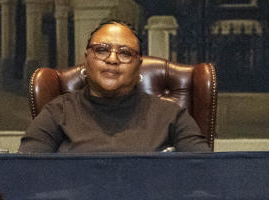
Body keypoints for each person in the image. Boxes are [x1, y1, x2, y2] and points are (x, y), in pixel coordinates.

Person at [18, 19, 209, 153]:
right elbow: (26, 175)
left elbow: (205, 173)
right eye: (102, 50)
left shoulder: (170, 115)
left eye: (125, 53)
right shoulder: (57, 113)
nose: (112, 59)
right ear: (87, 59)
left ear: (138, 66)